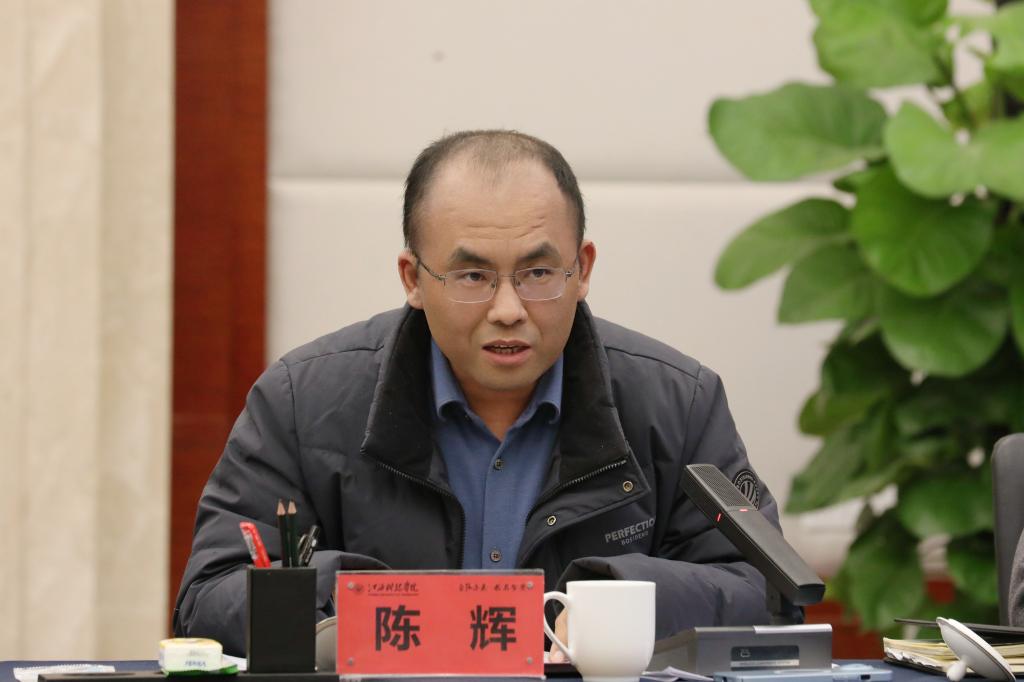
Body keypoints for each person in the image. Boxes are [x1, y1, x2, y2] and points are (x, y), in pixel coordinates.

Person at [174, 129, 783, 656]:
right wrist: (363, 604)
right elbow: (209, 597)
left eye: (538, 273)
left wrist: (616, 601)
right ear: (413, 279)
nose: (508, 309)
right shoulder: (302, 403)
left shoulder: (678, 404)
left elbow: (769, 590)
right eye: (472, 276)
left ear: (583, 270)